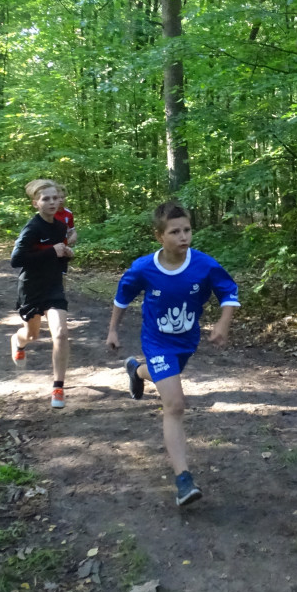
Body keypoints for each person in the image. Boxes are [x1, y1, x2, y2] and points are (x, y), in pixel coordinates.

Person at [106, 201, 240, 507]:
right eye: (175, 231)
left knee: (162, 374)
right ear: (159, 236)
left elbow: (229, 293)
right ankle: (183, 480)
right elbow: (122, 297)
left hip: (186, 340)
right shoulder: (143, 268)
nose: (184, 237)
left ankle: (136, 370)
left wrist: (223, 322)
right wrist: (113, 330)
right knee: (175, 404)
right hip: (156, 340)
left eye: (187, 230)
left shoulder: (204, 265)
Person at [9, 179, 74, 409]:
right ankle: (18, 341)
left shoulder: (60, 227)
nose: (52, 202)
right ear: (36, 203)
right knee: (32, 335)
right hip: (31, 289)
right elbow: (16, 260)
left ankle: (58, 387)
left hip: (54, 287)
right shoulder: (31, 228)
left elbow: (56, 256)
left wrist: (65, 253)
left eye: (55, 198)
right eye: (46, 199)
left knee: (61, 334)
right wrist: (51, 252)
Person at [53, 184, 77, 273]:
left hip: (63, 249)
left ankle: (62, 287)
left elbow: (72, 229)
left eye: (62, 197)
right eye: (57, 198)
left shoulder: (68, 214)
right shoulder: (49, 213)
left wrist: (74, 235)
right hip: (50, 248)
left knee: (63, 274)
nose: (60, 200)